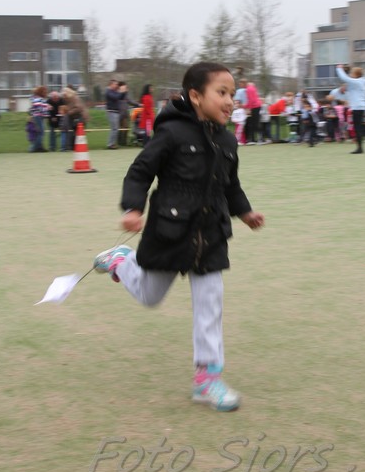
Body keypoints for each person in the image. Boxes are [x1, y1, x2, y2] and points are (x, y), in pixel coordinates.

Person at [93, 62, 265, 412]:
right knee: (149, 296)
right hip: (169, 231)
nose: (230, 101)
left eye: (232, 94)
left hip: (211, 235)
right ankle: (121, 261)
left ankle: (207, 379)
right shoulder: (171, 133)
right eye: (221, 92)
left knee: (210, 303)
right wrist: (133, 208)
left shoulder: (228, 140)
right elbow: (140, 171)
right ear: (196, 96)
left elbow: (231, 185)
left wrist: (245, 212)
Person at [335, 64, 365, 154]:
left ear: (356, 74)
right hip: (359, 107)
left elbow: (344, 78)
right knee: (357, 127)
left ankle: (360, 148)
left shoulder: (357, 82)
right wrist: (346, 70)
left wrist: (339, 69)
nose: (351, 75)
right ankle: (360, 147)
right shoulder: (360, 82)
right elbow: (348, 83)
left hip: (357, 107)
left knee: (357, 128)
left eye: (352, 73)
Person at [105, 79, 127, 149]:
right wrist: (121, 91)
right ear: (111, 84)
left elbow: (121, 98)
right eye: (115, 84)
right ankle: (110, 144)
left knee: (115, 129)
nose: (117, 86)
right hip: (112, 112)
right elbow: (116, 97)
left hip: (115, 112)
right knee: (114, 128)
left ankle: (112, 143)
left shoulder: (114, 91)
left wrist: (124, 91)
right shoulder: (108, 91)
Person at [29, 86, 51, 152]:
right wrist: (47, 108)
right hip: (38, 117)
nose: (46, 92)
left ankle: (39, 147)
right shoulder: (38, 99)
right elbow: (39, 108)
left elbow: (39, 107)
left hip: (39, 117)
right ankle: (34, 148)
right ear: (41, 92)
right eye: (45, 91)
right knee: (40, 132)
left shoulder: (40, 99)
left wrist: (47, 107)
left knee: (40, 132)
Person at [117, 82, 140, 147]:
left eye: (126, 88)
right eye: (125, 87)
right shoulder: (117, 95)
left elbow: (130, 101)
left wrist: (138, 104)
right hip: (119, 114)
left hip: (125, 114)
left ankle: (124, 142)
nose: (126, 89)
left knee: (126, 128)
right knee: (120, 128)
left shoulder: (125, 95)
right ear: (120, 88)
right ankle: (120, 141)